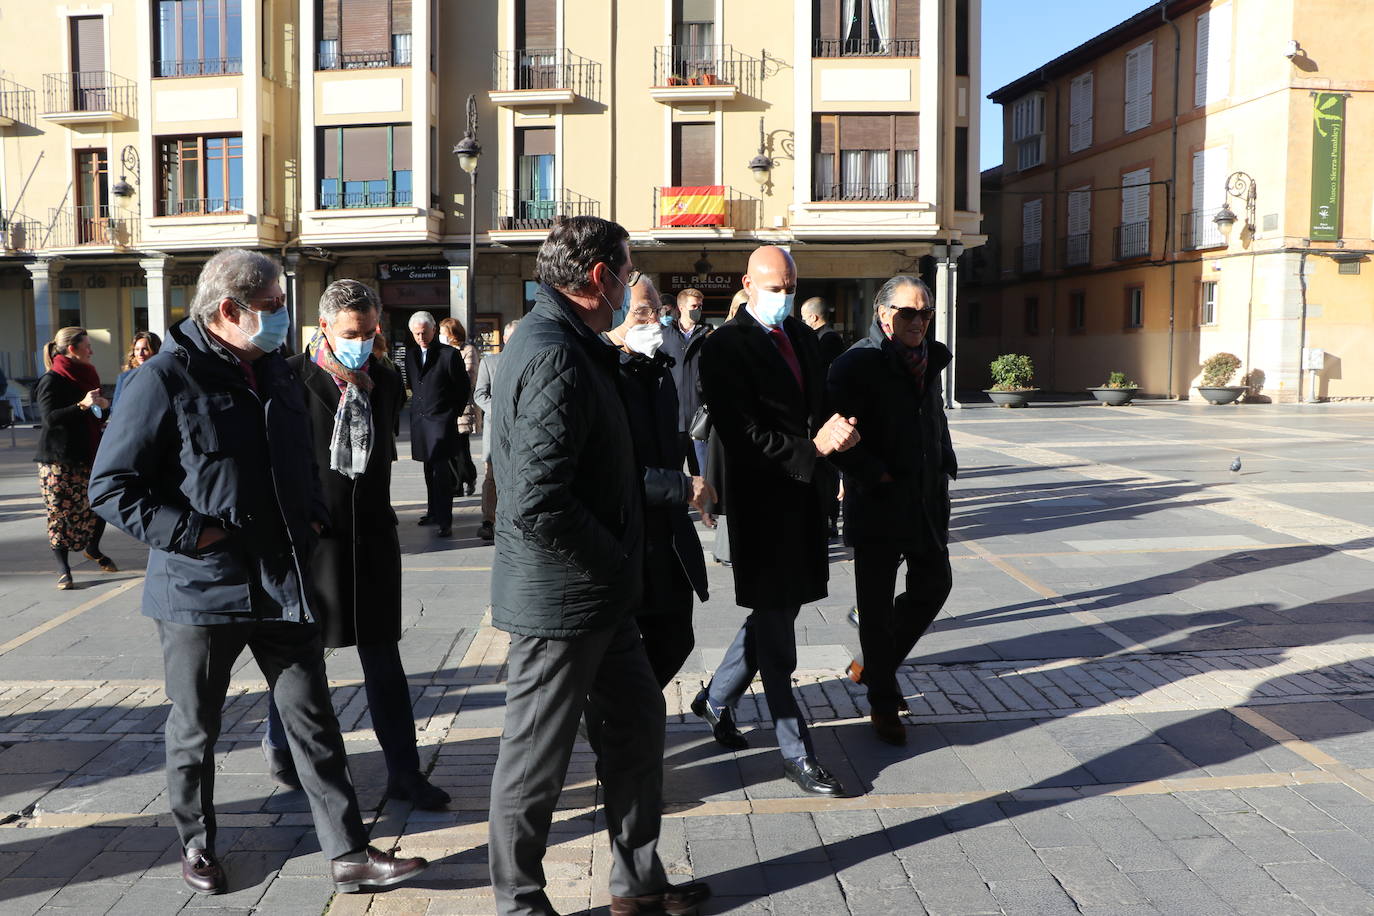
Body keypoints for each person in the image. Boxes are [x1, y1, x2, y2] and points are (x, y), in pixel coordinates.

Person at [89, 249, 428, 896]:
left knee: (314, 718)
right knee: (195, 727)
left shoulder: (274, 373)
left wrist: (307, 517)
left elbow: (296, 458)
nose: (282, 320)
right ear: (229, 311)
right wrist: (193, 533)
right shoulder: (162, 379)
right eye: (272, 308)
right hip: (200, 589)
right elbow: (110, 488)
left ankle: (350, 852)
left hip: (282, 580)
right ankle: (197, 844)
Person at [487, 216, 710, 916]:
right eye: (626, 271)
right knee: (536, 761)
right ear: (597, 277)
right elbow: (537, 501)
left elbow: (593, 473)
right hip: (564, 598)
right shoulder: (554, 350)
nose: (629, 286)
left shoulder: (572, 341)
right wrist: (614, 560)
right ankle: (519, 904)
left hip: (597, 597)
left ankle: (637, 883)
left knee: (639, 723)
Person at [259, 280, 449, 809]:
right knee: (304, 656)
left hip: (373, 537)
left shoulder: (384, 381)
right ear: (324, 327)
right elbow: (278, 462)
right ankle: (282, 746)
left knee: (384, 660)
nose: (361, 342)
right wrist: (301, 522)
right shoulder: (290, 379)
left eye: (368, 333)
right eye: (351, 333)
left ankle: (405, 773)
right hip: (316, 541)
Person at [692, 245, 860, 798]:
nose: (782, 296)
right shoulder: (723, 348)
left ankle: (716, 697)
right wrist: (811, 449)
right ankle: (796, 751)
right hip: (761, 504)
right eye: (772, 286)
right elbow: (742, 437)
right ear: (747, 283)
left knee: (778, 609)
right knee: (778, 634)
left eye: (789, 286)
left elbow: (819, 406)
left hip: (805, 499)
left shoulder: (804, 338)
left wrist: (838, 440)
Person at [827, 276, 957, 746]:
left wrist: (944, 462)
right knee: (876, 610)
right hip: (879, 503)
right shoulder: (856, 363)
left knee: (934, 585)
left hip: (925, 500)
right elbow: (832, 433)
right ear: (884, 315)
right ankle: (882, 701)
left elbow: (932, 419)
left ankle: (870, 667)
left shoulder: (932, 359)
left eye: (924, 313)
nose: (918, 321)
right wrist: (873, 475)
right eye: (908, 312)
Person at [606, 276, 711, 686]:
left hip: (666, 536)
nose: (656, 319)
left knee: (677, 639)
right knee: (626, 657)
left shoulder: (659, 369)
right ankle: (617, 727)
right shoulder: (605, 376)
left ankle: (624, 718)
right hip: (626, 540)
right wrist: (684, 487)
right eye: (642, 311)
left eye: (658, 310)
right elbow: (612, 470)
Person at [34, 326, 116, 589]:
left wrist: (103, 407)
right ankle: (64, 570)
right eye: (87, 346)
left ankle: (93, 548)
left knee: (98, 504)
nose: (91, 351)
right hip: (58, 460)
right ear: (72, 349)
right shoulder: (52, 379)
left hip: (88, 454)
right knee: (60, 513)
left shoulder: (89, 374)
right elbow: (49, 419)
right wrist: (81, 404)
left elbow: (96, 417)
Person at [405, 311, 471, 538]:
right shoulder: (411, 354)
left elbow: (462, 388)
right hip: (421, 421)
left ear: (433, 330)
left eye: (424, 332)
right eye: (416, 333)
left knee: (442, 474)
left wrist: (451, 413)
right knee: (427, 469)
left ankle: (445, 520)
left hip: (441, 421)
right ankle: (433, 511)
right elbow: (414, 384)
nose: (421, 337)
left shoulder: (448, 355)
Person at [471, 318, 519, 542]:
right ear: (505, 340)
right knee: (492, 476)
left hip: (522, 430)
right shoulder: (489, 363)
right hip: (496, 430)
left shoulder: (528, 361)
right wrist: (499, 410)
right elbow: (480, 394)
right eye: (512, 339)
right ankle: (488, 521)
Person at [801, 298, 844, 538]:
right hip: (821, 414)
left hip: (826, 415)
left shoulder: (827, 339)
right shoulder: (822, 338)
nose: (803, 322)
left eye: (804, 317)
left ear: (814, 318)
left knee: (828, 471)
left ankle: (829, 518)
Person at [658, 287, 711, 475]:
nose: (698, 309)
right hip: (674, 420)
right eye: (694, 306)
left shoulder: (707, 337)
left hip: (700, 421)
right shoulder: (664, 336)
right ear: (681, 307)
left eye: (700, 306)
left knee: (702, 477)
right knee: (673, 475)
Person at [440, 317, 482, 498]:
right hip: (445, 408)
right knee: (449, 449)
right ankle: (455, 484)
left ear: (452, 334)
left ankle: (468, 477)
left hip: (463, 407)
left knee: (461, 448)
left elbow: (469, 378)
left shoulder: (467, 350)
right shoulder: (442, 351)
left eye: (443, 332)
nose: (441, 336)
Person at [111, 331, 162, 409]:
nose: (140, 354)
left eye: (145, 349)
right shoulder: (124, 378)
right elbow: (115, 409)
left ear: (155, 350)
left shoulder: (163, 376)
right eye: (137, 349)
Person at [801, 297, 846, 370]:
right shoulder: (822, 335)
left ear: (813, 318)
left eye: (804, 319)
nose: (803, 323)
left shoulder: (829, 338)